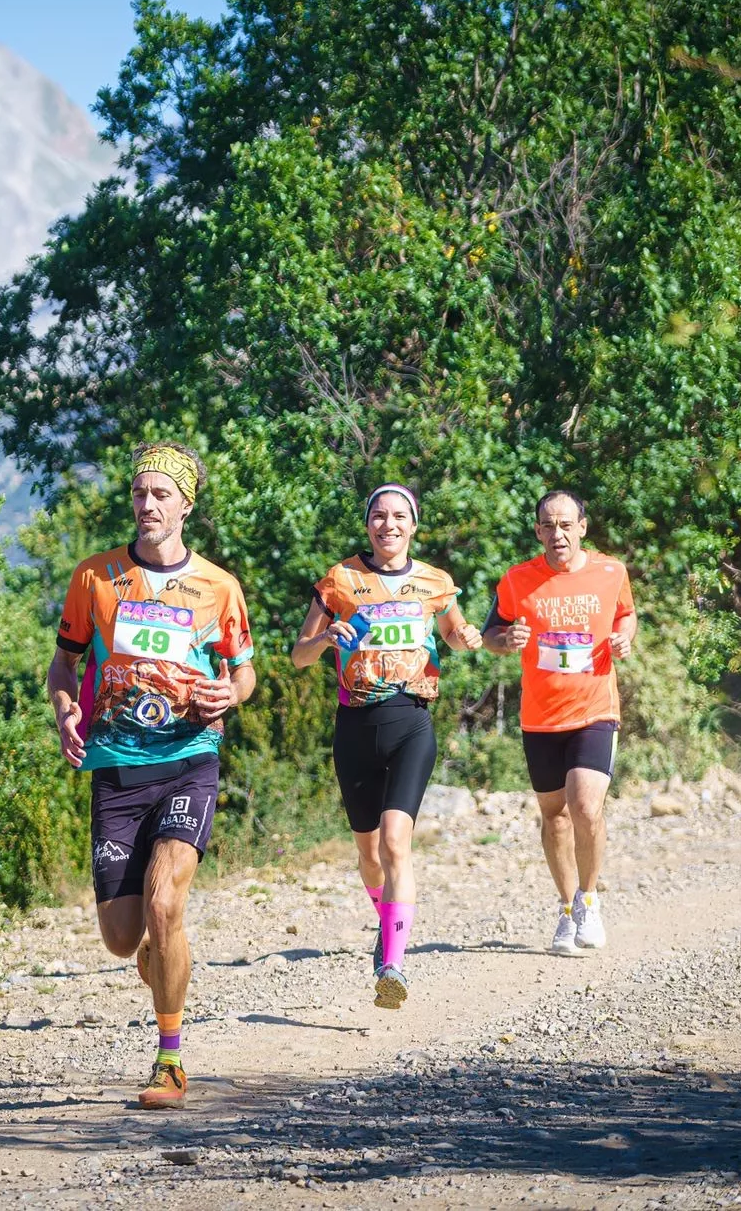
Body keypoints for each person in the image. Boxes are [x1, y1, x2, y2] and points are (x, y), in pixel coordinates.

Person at [47, 442, 256, 1110]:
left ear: (186, 505)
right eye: (139, 494)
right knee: (121, 939)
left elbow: (244, 669)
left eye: (160, 494)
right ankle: (159, 960)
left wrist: (234, 695)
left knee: (166, 902)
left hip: (189, 757)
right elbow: (62, 666)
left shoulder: (219, 586)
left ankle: (170, 1060)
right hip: (115, 767)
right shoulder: (95, 579)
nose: (146, 505)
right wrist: (64, 708)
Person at [291, 484, 481, 1008]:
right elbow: (298, 656)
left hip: (411, 721)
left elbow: (455, 628)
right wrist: (326, 639)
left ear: (413, 526)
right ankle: (387, 920)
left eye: (400, 517)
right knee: (369, 853)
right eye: (379, 516)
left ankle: (392, 965)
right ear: (368, 523)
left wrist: (465, 638)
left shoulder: (435, 582)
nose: (389, 525)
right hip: (355, 726)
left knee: (398, 842)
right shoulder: (340, 579)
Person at [482, 490, 636, 957]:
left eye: (566, 524)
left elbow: (627, 616)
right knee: (555, 816)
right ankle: (568, 910)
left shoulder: (611, 572)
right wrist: (506, 638)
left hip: (595, 710)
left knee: (586, 805)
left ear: (582, 527)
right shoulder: (517, 580)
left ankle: (590, 901)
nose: (558, 534)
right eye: (548, 526)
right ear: (537, 532)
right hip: (541, 717)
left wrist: (624, 639)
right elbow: (491, 635)